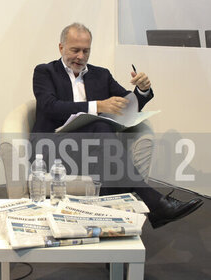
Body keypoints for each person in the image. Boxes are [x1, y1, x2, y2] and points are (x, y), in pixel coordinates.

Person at [32, 22, 203, 229]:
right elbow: (50, 106)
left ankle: (110, 230)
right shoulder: (44, 72)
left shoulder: (101, 75)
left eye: (86, 51)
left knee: (105, 144)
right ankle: (153, 202)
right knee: (102, 131)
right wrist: (98, 106)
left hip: (94, 149)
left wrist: (142, 90)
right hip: (54, 149)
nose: (80, 56)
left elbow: (128, 105)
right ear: (61, 48)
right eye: (74, 50)